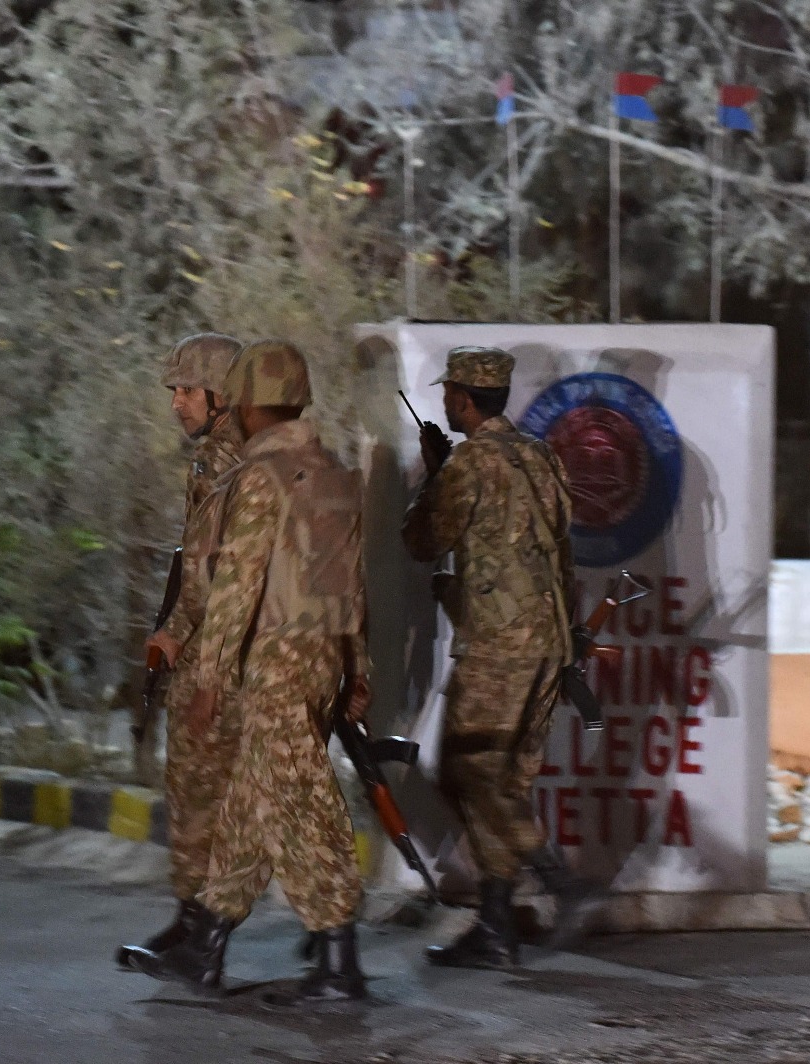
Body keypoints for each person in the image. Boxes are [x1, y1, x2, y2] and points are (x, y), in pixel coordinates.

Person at [140, 339, 371, 1004]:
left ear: (238, 400)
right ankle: (205, 944)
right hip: (319, 656)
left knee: (304, 807)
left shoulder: (260, 476)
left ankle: (338, 962)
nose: (179, 401)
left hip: (271, 662)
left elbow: (237, 583)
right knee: (250, 804)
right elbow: (352, 584)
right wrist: (357, 667)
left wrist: (209, 679)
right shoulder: (330, 469)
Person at [401, 346, 586, 970]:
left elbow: (423, 540)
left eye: (449, 393)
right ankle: (498, 925)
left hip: (500, 643)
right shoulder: (539, 455)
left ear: (462, 399)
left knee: (467, 772)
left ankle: (554, 876)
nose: (445, 402)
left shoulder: (470, 464)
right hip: (547, 640)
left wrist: (434, 473)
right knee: (502, 779)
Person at [117, 333, 244, 975]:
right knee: (200, 789)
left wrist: (179, 633)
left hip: (221, 651)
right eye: (174, 391)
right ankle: (193, 919)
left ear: (223, 392)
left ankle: (207, 934)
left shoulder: (228, 460)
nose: (177, 403)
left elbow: (213, 573)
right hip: (216, 643)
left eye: (188, 390)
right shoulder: (223, 456)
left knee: (205, 791)